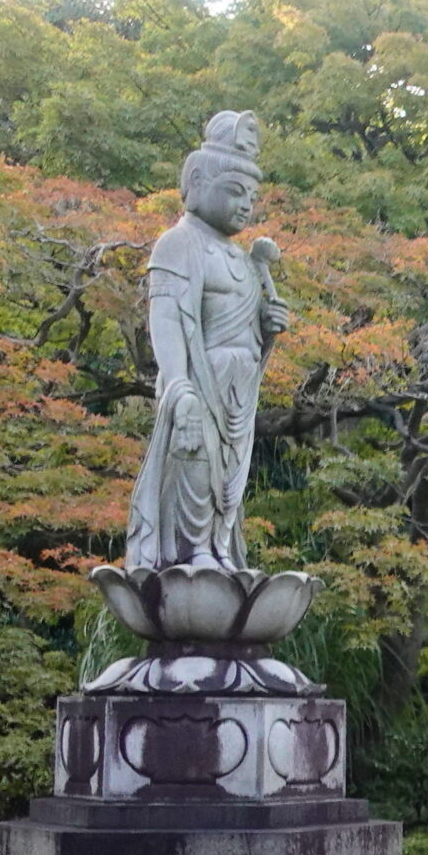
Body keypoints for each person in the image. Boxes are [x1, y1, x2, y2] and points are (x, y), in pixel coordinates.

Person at [124, 111, 291, 571]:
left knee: (230, 481)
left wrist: (266, 328)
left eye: (252, 197)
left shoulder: (242, 258)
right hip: (200, 382)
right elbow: (168, 321)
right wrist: (178, 388)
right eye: (235, 192)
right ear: (197, 182)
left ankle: (219, 549)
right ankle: (193, 555)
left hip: (239, 390)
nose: (245, 206)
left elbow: (246, 335)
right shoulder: (179, 244)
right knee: (195, 469)